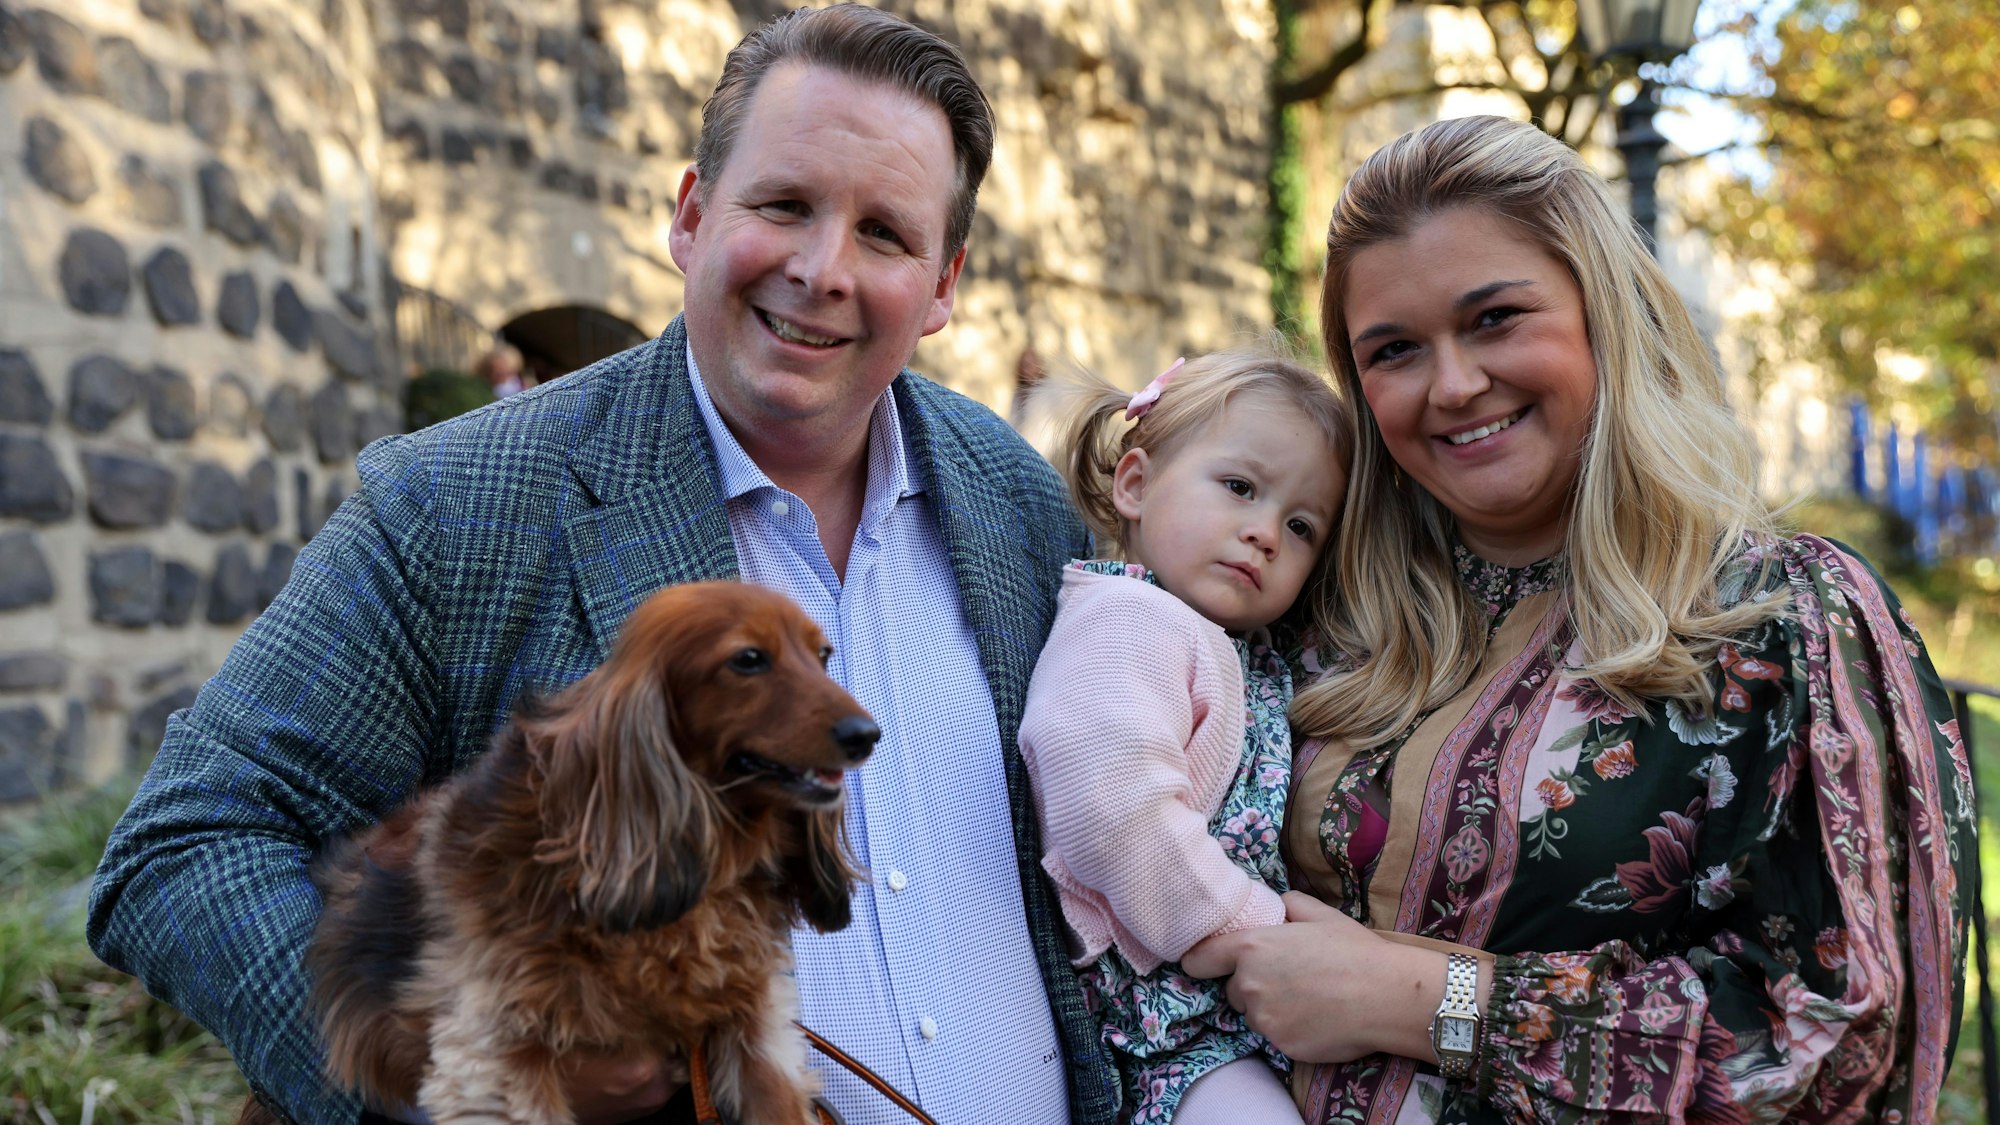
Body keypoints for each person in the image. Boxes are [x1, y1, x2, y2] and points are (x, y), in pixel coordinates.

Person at [87, 7, 1121, 1124]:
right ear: (691, 215)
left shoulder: (1022, 508)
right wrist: (469, 1072)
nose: (822, 269)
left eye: (884, 233)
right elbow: (187, 844)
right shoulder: (455, 505)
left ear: (943, 283)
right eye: (783, 205)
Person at [1181, 115, 1974, 1125]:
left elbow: (1841, 1046)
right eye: (1395, 350)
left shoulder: (1782, 619)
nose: (1453, 385)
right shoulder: (1313, 605)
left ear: (1604, 311)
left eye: (1495, 318)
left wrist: (1425, 1004)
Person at [1021, 351, 1347, 1123]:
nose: (1265, 533)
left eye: (1301, 525)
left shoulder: (1226, 640)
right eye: (1240, 487)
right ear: (1135, 485)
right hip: (1163, 1027)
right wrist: (1247, 924)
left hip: (1225, 1004)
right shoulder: (1128, 623)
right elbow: (1113, 810)